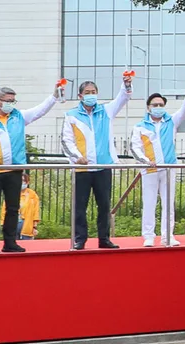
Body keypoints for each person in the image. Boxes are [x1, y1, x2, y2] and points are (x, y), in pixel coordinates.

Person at [0, 83, 64, 252]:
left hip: (14, 170)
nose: (10, 104)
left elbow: (39, 110)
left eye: (13, 101)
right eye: (7, 101)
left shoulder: (18, 116)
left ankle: (10, 242)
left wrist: (54, 96)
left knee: (13, 207)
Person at [62, 73, 132, 249]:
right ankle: (80, 239)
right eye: (87, 92)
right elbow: (66, 140)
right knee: (80, 206)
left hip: (103, 166)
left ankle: (104, 239)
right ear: (80, 96)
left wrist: (126, 85)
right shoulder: (71, 115)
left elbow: (122, 98)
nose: (91, 95)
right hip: (82, 168)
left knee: (104, 205)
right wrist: (77, 157)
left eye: (93, 91)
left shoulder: (106, 111)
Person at [128, 83, 185, 247]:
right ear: (148, 108)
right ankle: (149, 236)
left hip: (169, 168)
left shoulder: (171, 122)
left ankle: (168, 236)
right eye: (155, 105)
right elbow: (134, 147)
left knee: (168, 203)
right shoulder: (140, 127)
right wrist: (145, 161)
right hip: (149, 169)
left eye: (161, 105)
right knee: (149, 202)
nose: (158, 107)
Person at [16, 172, 40, 241]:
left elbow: (36, 211)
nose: (22, 183)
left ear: (27, 182)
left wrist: (34, 226)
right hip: (13, 226)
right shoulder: (12, 193)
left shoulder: (32, 194)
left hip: (27, 226)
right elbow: (4, 209)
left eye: (24, 181)